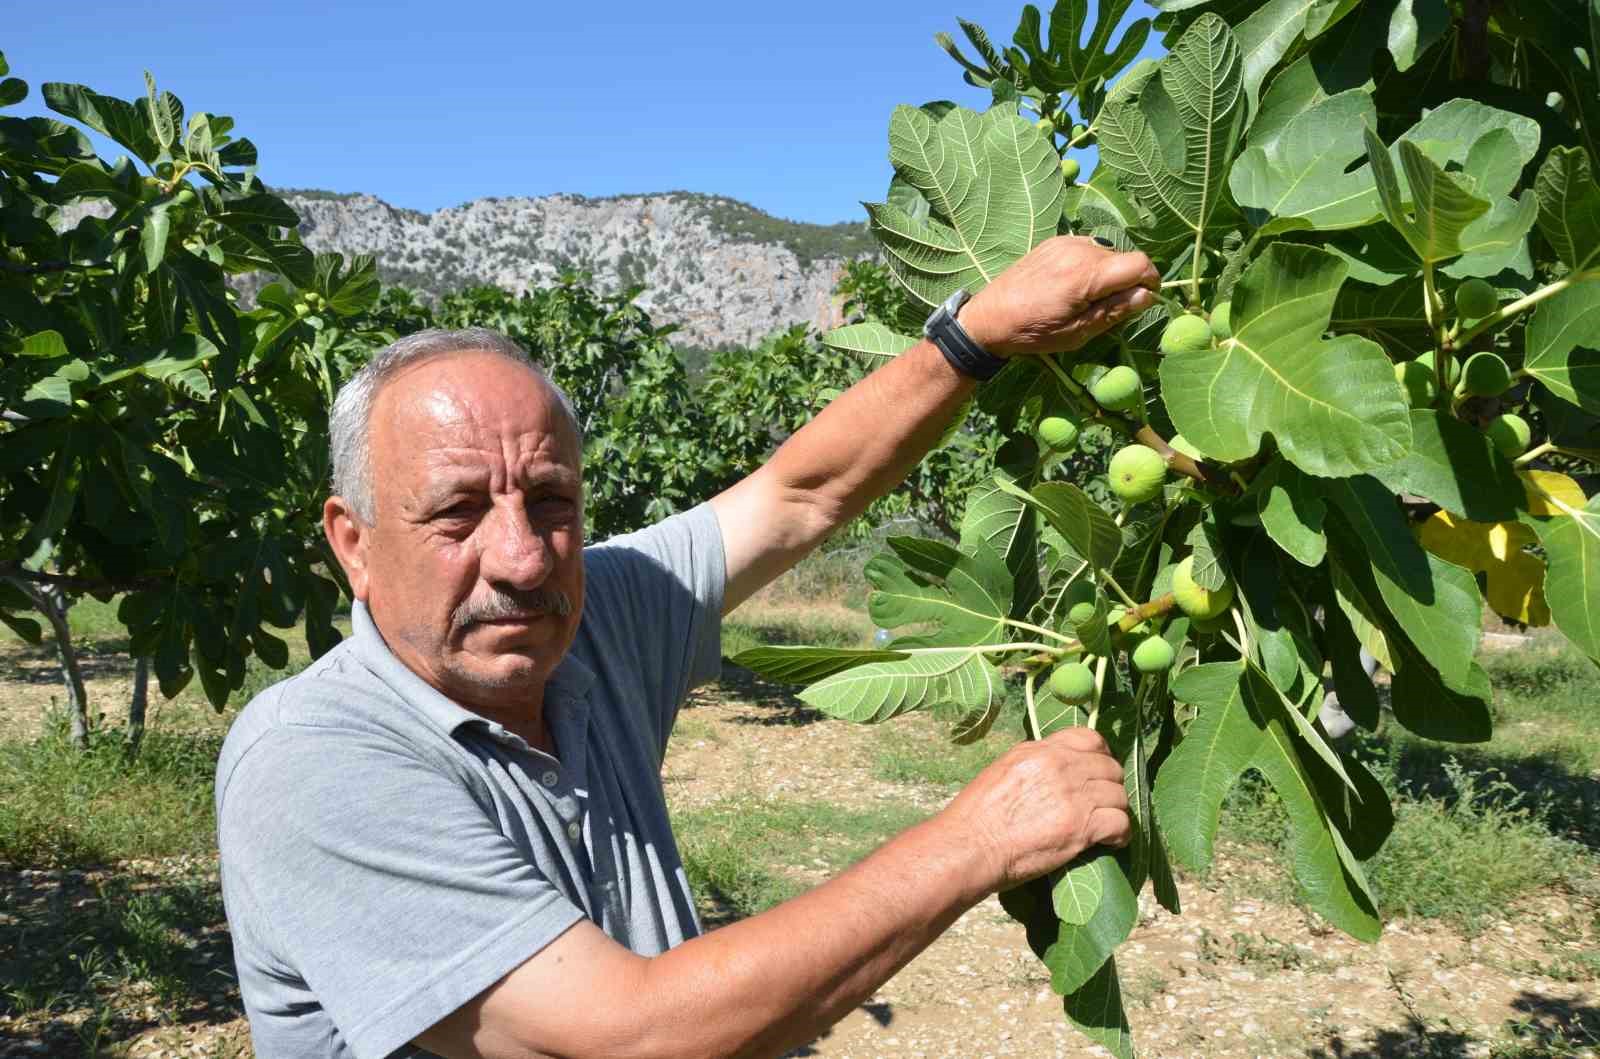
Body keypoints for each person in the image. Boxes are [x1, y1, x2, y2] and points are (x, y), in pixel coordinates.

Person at [215, 234, 1160, 1059]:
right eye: (457, 513)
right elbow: (626, 1036)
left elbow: (800, 496)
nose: (519, 556)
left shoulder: (588, 619)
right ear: (352, 543)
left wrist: (979, 333)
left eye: (551, 501)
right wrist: (977, 841)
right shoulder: (312, 762)